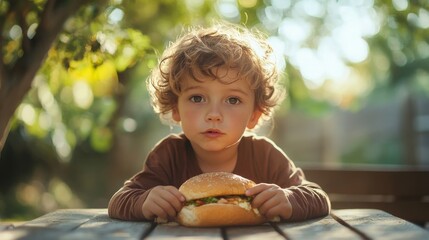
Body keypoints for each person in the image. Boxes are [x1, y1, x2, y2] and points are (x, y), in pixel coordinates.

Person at [108, 23, 330, 222]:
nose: (214, 114)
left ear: (254, 114)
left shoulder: (264, 154)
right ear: (176, 108)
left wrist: (289, 199)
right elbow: (119, 201)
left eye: (232, 100)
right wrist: (145, 201)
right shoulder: (169, 155)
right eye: (197, 98)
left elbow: (318, 197)